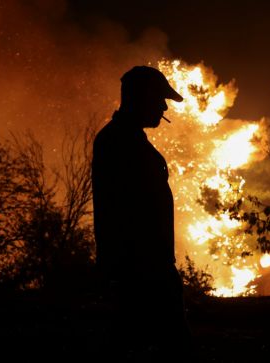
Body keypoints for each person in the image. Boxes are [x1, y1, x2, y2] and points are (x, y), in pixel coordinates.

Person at [91, 65, 191, 358]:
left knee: (134, 345)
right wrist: (141, 267)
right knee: (168, 348)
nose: (163, 106)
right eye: (159, 98)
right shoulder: (120, 143)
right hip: (140, 269)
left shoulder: (126, 140)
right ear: (141, 98)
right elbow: (122, 211)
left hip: (145, 267)